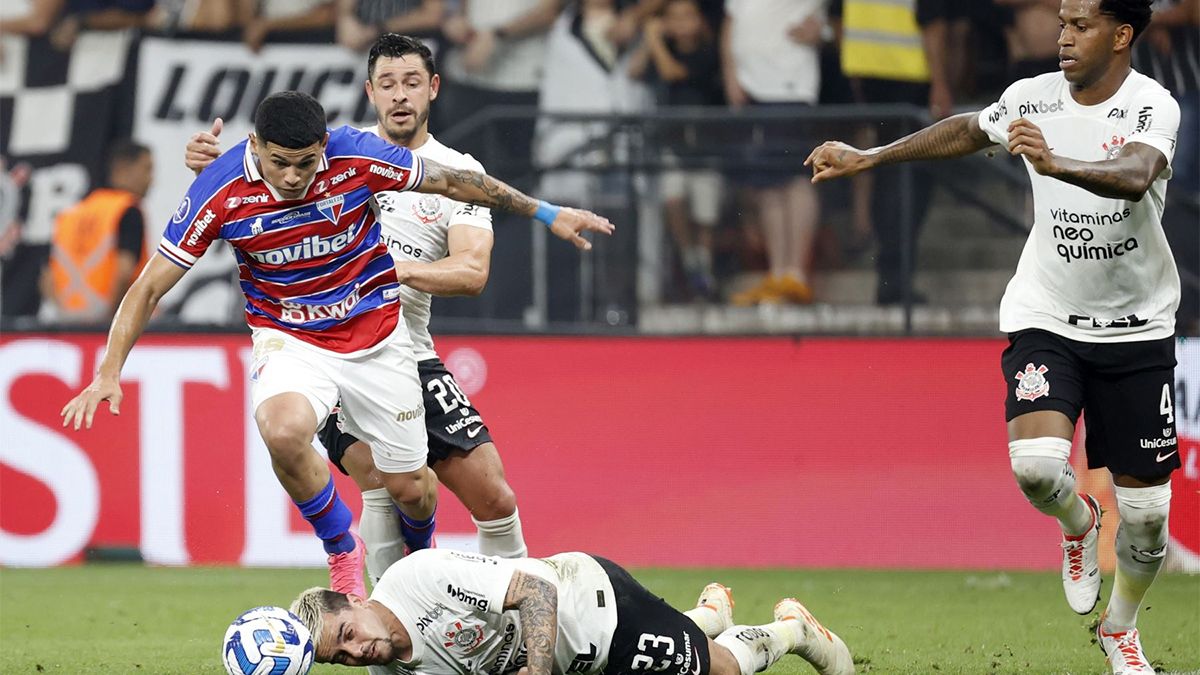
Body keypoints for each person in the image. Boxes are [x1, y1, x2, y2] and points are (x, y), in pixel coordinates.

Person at [61, 90, 614, 602]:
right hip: (291, 338)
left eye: (305, 162)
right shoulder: (219, 187)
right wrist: (109, 370)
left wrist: (547, 211)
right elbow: (149, 285)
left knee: (413, 490)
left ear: (323, 145)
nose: (294, 175)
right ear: (254, 146)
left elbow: (451, 181)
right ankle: (341, 552)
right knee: (282, 429)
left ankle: (419, 567)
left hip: (378, 334)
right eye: (280, 162)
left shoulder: (354, 155)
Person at [807, 1, 1179, 672]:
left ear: (1121, 35)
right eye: (1062, 22)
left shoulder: (1154, 105)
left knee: (1150, 517)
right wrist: (872, 156)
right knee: (1037, 467)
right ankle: (1078, 523)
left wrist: (1056, 162)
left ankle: (1120, 628)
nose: (1063, 37)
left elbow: (1135, 176)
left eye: (1081, 25)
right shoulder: (1031, 97)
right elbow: (967, 131)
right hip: (1048, 315)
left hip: (1136, 328)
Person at [185, 34, 534, 579]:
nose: (400, 96)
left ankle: (520, 614)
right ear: (370, 92)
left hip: (407, 349)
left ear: (433, 89)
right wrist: (218, 164)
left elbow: (473, 272)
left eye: (412, 83)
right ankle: (393, 633)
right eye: (388, 84)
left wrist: (388, 274)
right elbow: (261, 180)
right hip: (324, 346)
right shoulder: (334, 153)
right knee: (379, 481)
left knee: (492, 495)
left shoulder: (457, 171)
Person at [289, 549, 856, 675]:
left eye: (347, 632)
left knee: (717, 673)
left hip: (592, 611)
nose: (355, 650)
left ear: (356, 602)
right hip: (568, 669)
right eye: (339, 657)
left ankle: (794, 629)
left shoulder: (415, 581)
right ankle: (704, 615)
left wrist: (536, 672)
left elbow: (535, 586)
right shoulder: (390, 667)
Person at [722, 0, 824, 306]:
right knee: (767, 183)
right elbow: (731, 22)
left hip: (789, 87)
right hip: (754, 88)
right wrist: (731, 74)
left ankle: (796, 272)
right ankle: (778, 273)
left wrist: (827, 30)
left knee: (794, 176)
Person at [43, 139, 151, 323]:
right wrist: (109, 318)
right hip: (108, 324)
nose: (151, 179)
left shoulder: (72, 213)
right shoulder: (127, 210)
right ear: (124, 168)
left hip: (68, 325)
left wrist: (64, 314)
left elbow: (46, 278)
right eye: (147, 169)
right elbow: (124, 271)